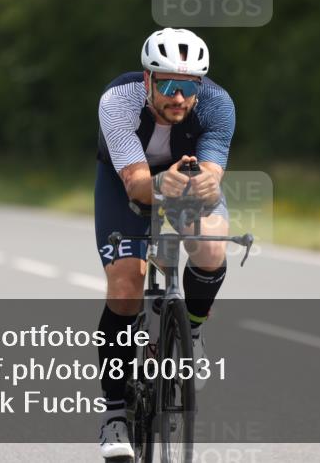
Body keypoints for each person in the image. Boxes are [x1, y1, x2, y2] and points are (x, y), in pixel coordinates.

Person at [94, 28, 235, 459]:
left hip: (187, 182)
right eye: (168, 84)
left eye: (189, 86)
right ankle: (115, 414)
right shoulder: (117, 100)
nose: (179, 97)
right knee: (125, 288)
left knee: (211, 247)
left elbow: (212, 180)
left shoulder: (218, 104)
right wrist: (160, 185)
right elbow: (137, 185)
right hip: (126, 184)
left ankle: (191, 329)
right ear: (147, 80)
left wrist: (199, 188)